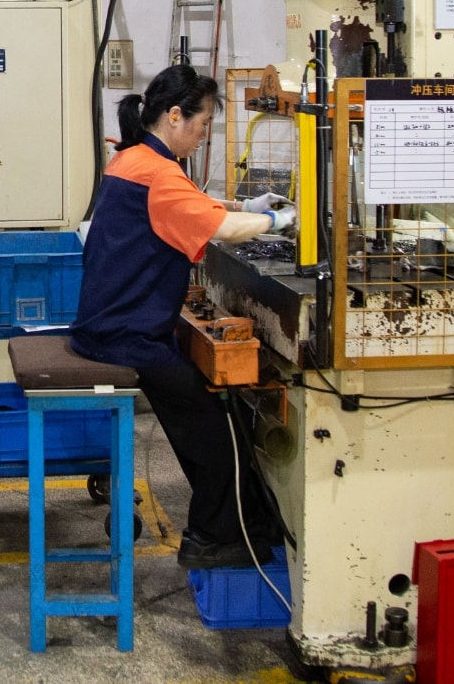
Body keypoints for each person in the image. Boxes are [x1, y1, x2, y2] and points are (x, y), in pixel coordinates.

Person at [68, 64, 296, 569]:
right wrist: (276, 219)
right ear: (174, 116)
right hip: (127, 337)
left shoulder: (132, 159)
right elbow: (225, 231)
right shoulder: (159, 173)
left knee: (202, 419)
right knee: (219, 433)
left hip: (108, 324)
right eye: (203, 123)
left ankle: (236, 529)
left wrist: (243, 202)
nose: (204, 134)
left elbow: (191, 205)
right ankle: (214, 539)